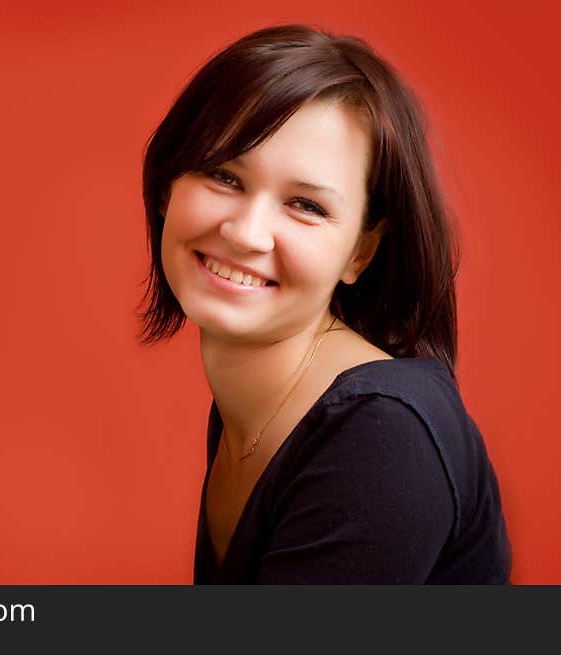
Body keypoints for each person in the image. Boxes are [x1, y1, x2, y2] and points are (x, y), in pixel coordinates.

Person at [137, 24, 512, 584]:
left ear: (361, 251)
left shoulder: (381, 435)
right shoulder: (252, 410)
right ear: (169, 185)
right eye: (223, 175)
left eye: (306, 205)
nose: (246, 234)